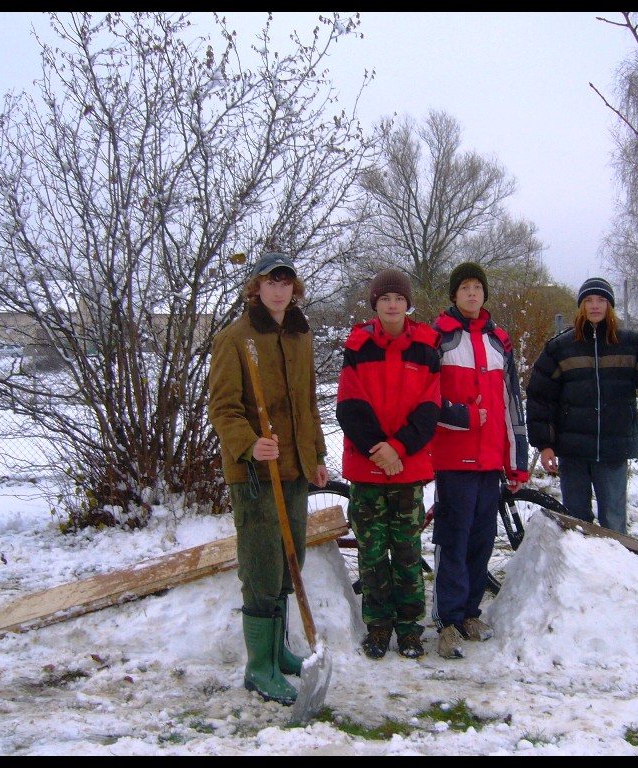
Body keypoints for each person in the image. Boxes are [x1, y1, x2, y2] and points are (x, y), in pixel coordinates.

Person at [208, 252, 329, 706]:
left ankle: (278, 651)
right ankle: (259, 667)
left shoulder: (300, 336)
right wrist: (248, 443)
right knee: (261, 567)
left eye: (286, 281)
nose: (278, 289)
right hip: (257, 475)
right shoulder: (235, 339)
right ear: (256, 288)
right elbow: (222, 408)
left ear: (293, 289)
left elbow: (308, 403)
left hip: (294, 469)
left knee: (288, 561)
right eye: (270, 281)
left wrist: (316, 454)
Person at [526, 277, 638, 535]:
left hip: (614, 448)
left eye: (601, 300)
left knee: (614, 521)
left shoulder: (631, 344)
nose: (595, 306)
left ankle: (616, 572)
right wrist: (545, 444)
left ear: (610, 306)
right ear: (581, 306)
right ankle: (578, 571)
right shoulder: (560, 348)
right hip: (572, 451)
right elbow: (540, 397)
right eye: (589, 300)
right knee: (574, 522)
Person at [336, 269, 442, 660]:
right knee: (372, 551)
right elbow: (349, 404)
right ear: (375, 304)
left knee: (408, 550)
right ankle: (378, 626)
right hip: (367, 466)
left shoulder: (428, 346)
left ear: (407, 303)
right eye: (385, 299)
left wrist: (399, 448)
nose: (392, 305)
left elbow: (429, 408)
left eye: (398, 298)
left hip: (407, 467)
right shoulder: (359, 345)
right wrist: (379, 448)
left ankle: (410, 628)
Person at [430, 262, 530, 660]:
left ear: (484, 294)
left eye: (477, 288)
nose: (472, 294)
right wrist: (459, 415)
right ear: (453, 295)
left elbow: (512, 404)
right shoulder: (439, 338)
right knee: (452, 539)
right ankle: (448, 621)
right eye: (464, 288)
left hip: (490, 461)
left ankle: (471, 612)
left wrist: (516, 460)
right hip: (453, 458)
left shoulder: (499, 341)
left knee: (481, 540)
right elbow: (425, 399)